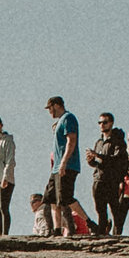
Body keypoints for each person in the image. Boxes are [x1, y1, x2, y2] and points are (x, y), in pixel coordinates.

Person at [88, 111, 129, 240]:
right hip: (98, 178)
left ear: (111, 123)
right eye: (100, 122)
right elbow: (98, 163)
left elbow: (116, 160)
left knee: (114, 208)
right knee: (100, 208)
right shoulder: (99, 142)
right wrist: (91, 160)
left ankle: (117, 234)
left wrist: (98, 155)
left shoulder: (117, 141)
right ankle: (102, 232)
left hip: (111, 179)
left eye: (105, 122)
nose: (102, 125)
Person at [46, 97, 83, 236]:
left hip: (67, 165)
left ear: (56, 105)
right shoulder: (60, 121)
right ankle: (56, 229)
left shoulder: (68, 118)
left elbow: (71, 141)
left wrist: (64, 162)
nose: (50, 112)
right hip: (56, 167)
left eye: (50, 108)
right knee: (51, 197)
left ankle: (89, 222)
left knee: (66, 197)